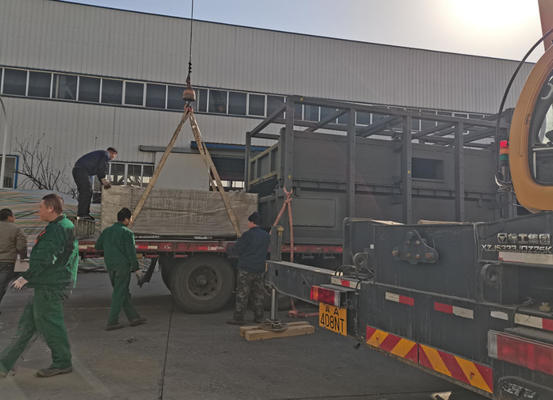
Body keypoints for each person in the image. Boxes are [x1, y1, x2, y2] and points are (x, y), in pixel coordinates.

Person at [0, 194, 79, 378]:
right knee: (28, 325)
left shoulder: (58, 228)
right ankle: (5, 363)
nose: (38, 211)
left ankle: (62, 362)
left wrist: (26, 277)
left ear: (51, 208)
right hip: (49, 282)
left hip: (52, 284)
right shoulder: (60, 226)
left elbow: (45, 257)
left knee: (51, 324)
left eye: (41, 208)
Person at [95, 207, 146, 331]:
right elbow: (131, 253)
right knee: (119, 293)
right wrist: (137, 269)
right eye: (131, 218)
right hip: (122, 267)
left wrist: (110, 249)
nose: (131, 220)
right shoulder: (127, 233)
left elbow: (98, 246)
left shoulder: (107, 231)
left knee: (123, 292)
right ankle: (112, 321)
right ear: (126, 219)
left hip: (110, 266)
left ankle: (134, 318)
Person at [226, 212, 270, 325]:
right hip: (259, 269)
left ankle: (239, 318)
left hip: (246, 268)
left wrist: (228, 249)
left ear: (252, 222)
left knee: (242, 293)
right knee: (259, 294)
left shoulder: (247, 235)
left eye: (248, 222)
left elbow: (237, 249)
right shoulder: (266, 236)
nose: (247, 224)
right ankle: (259, 317)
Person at [72, 147, 118, 219]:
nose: (113, 158)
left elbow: (99, 170)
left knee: (86, 192)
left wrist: (102, 181)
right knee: (86, 192)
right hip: (82, 171)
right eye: (114, 156)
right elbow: (102, 167)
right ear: (113, 153)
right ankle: (83, 214)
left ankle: (83, 213)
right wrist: (103, 178)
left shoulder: (100, 155)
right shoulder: (105, 154)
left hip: (80, 171)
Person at [0, 209, 27, 309]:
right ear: (9, 217)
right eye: (13, 216)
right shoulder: (16, 229)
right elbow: (21, 246)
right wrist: (23, 257)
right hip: (7, 262)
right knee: (1, 286)